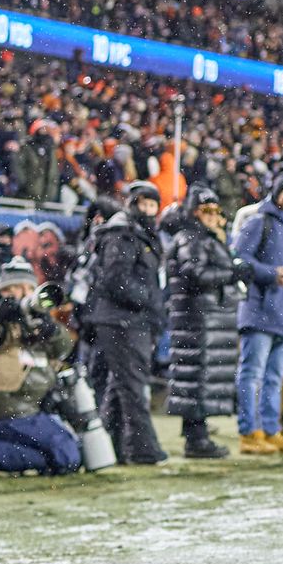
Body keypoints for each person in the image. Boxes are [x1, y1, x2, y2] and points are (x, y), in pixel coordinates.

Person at [232, 175, 283, 455]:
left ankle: (270, 429)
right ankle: (248, 431)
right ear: (276, 194)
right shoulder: (259, 221)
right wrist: (269, 273)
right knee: (252, 373)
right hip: (260, 311)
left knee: (275, 378)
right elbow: (239, 259)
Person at [164, 187, 248, 459]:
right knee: (196, 376)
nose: (213, 216)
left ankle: (196, 432)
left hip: (208, 317)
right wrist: (231, 273)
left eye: (216, 211)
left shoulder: (202, 236)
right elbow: (194, 273)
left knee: (201, 377)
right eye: (206, 211)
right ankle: (195, 438)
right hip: (198, 317)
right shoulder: (190, 237)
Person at [91, 181, 169, 465]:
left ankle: (110, 448)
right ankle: (143, 450)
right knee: (133, 386)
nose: (148, 210)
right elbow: (114, 279)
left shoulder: (138, 233)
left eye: (153, 205)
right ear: (133, 203)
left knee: (120, 387)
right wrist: (147, 299)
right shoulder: (122, 233)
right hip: (121, 321)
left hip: (129, 320)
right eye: (144, 204)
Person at [0, 258, 79, 475]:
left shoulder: (33, 315)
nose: (25, 293)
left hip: (31, 407)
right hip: (5, 409)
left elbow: (64, 350)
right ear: (4, 289)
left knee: (67, 454)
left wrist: (53, 331)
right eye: (18, 287)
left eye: (30, 288)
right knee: (66, 456)